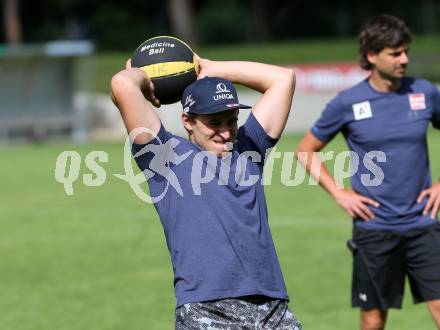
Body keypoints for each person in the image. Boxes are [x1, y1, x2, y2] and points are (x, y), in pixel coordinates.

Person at [111, 56, 302, 329]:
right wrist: (142, 76)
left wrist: (214, 69)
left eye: (231, 121)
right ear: (188, 121)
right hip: (208, 310)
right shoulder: (164, 158)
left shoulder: (249, 149)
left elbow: (283, 79)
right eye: (215, 123)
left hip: (272, 308)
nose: (226, 133)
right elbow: (122, 83)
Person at [295, 14, 440, 330]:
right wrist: (339, 193)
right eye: (395, 53)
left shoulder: (426, 92)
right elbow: (304, 151)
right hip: (375, 230)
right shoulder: (347, 103)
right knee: (373, 320)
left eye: (406, 51)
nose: (405, 59)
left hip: (424, 225)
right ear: (372, 56)